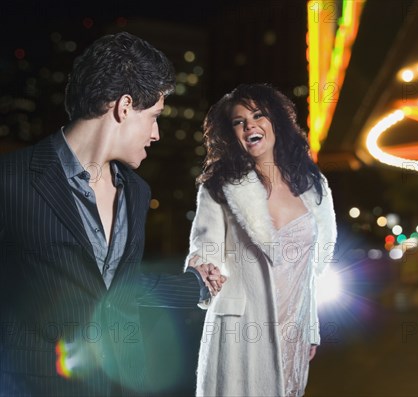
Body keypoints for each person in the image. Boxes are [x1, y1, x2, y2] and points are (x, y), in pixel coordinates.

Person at [0, 32, 224, 396]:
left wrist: (196, 283)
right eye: (154, 117)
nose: (156, 133)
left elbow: (119, 291)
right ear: (124, 106)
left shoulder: (137, 193)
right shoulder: (11, 180)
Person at [185, 83, 337, 396]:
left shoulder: (311, 185)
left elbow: (311, 270)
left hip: (294, 328)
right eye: (238, 121)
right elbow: (205, 249)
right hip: (242, 331)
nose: (249, 125)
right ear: (231, 134)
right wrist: (203, 269)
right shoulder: (219, 188)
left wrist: (311, 329)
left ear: (275, 122)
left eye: (257, 115)